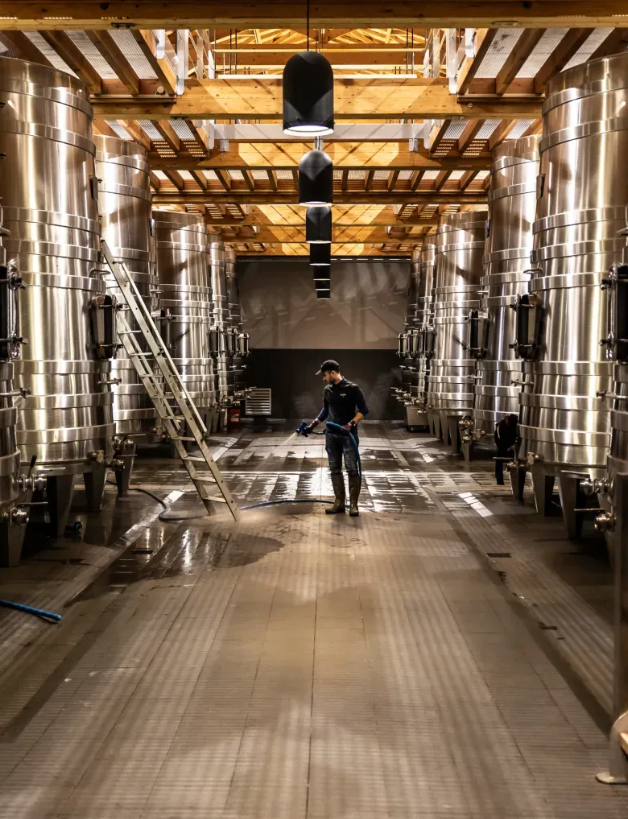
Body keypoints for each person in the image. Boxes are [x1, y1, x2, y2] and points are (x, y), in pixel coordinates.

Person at [304, 360, 369, 516]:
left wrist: (351, 423)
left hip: (348, 436)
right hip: (332, 436)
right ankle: (339, 503)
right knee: (335, 469)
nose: (324, 378)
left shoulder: (353, 389)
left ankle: (353, 505)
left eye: (325, 375)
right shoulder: (327, 390)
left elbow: (364, 410)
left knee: (352, 469)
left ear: (333, 373)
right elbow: (325, 410)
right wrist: (313, 424)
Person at [494, 414, 518, 485]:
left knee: (500, 462)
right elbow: (498, 438)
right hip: (503, 447)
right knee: (499, 461)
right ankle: (500, 480)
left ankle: (513, 479)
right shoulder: (500, 426)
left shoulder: (512, 425)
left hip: (509, 447)